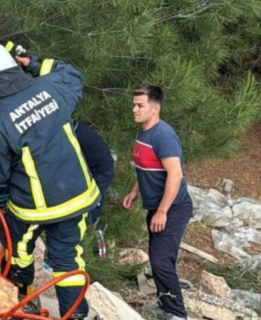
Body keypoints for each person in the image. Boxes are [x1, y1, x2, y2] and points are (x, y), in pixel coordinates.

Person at [0, 42, 99, 319]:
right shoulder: (51, 88)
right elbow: (73, 74)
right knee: (68, 262)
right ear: (12, 66)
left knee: (18, 248)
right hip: (77, 197)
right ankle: (75, 316)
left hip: (34, 208)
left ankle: (22, 300)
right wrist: (36, 62)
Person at [123, 85, 192, 320]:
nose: (134, 109)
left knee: (161, 261)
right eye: (134, 104)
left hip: (173, 207)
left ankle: (177, 314)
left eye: (139, 105)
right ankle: (166, 305)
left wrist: (162, 211)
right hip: (156, 206)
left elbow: (175, 175)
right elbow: (147, 166)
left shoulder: (163, 136)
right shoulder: (144, 132)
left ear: (155, 108)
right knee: (158, 258)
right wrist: (135, 190)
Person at [72, 121, 115, 229]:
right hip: (95, 169)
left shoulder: (73, 133)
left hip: (102, 171)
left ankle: (93, 232)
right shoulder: (75, 128)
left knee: (93, 205)